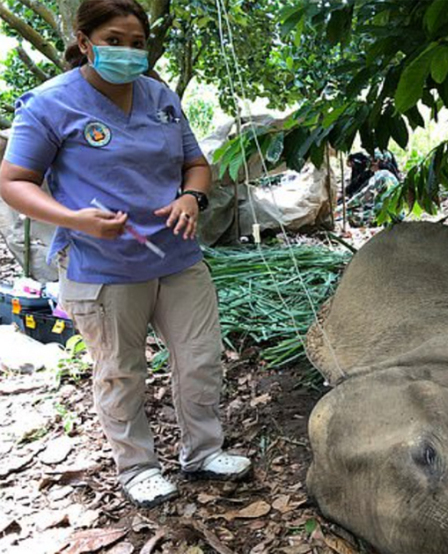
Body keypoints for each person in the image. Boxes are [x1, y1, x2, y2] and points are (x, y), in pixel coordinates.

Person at [0, 0, 250, 508]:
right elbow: (13, 181)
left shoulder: (159, 96)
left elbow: (195, 165)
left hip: (177, 258)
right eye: (115, 40)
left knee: (200, 360)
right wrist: (72, 219)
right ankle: (137, 467)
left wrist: (190, 197)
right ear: (85, 40)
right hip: (104, 267)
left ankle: (203, 452)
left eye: (138, 43)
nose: (128, 52)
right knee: (120, 369)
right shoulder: (50, 104)